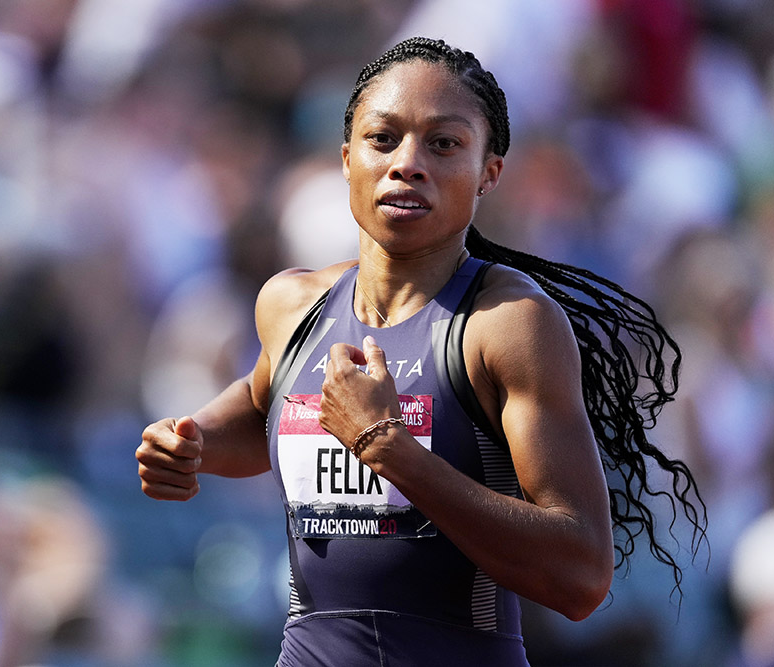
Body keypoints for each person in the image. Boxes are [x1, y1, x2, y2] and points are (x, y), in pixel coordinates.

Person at [137, 36, 706, 666]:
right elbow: (263, 404)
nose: (407, 163)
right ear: (346, 158)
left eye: (444, 143)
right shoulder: (291, 305)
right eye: (383, 139)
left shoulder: (507, 323)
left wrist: (388, 448)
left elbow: (580, 575)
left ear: (489, 171)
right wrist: (192, 440)